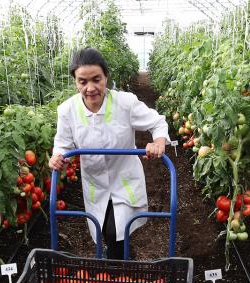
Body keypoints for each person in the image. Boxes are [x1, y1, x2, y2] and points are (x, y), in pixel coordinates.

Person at [50, 47, 169, 260]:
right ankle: (118, 259)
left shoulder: (125, 103)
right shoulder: (67, 110)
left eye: (97, 79)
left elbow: (157, 122)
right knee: (104, 230)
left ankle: (118, 267)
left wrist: (158, 142)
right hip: (95, 184)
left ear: (106, 76)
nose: (90, 88)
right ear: (75, 81)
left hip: (124, 181)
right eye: (82, 82)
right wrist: (59, 158)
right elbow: (63, 145)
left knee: (116, 231)